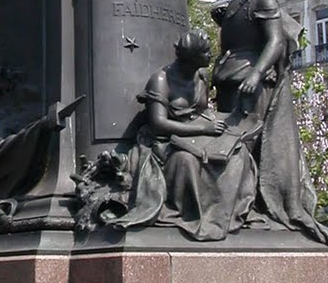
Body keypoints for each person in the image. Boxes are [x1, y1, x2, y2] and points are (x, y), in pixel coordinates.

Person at [211, 0, 328, 260]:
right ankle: (237, 204)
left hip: (249, 81)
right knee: (231, 143)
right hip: (230, 78)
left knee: (248, 143)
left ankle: (253, 205)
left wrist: (257, 73)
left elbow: (275, 40)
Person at [109, 30, 259, 241]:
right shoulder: (161, 80)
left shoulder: (201, 76)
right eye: (205, 52)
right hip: (165, 142)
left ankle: (227, 214)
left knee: (239, 153)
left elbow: (203, 112)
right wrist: (204, 130)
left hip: (197, 136)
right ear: (192, 56)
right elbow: (158, 124)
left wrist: (228, 123)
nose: (210, 55)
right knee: (186, 161)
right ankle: (194, 215)